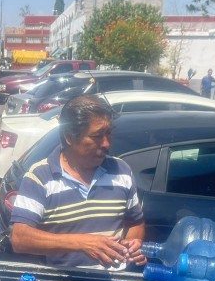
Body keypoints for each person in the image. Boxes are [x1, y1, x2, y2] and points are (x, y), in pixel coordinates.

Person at [9, 95, 147, 269]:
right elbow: (20, 239)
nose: (106, 143)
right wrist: (82, 243)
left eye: (108, 133)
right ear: (69, 137)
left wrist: (133, 243)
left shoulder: (122, 171)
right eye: (97, 136)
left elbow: (135, 222)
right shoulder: (40, 177)